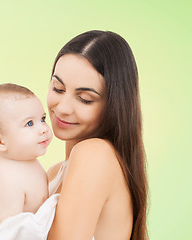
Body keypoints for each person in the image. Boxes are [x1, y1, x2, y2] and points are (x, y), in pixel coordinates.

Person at [45, 30, 148, 240]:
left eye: (84, 99)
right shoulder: (53, 173)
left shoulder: (95, 154)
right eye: (58, 88)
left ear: (114, 106)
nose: (63, 108)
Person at [0, 83, 53, 229]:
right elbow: (9, 232)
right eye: (29, 123)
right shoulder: (9, 181)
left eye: (42, 119)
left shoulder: (24, 160)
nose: (43, 129)